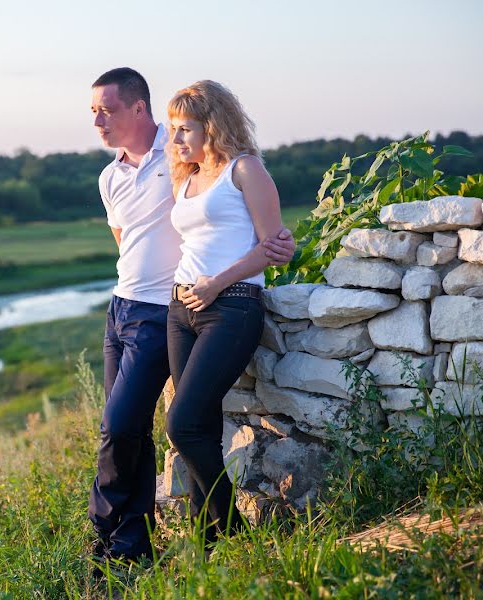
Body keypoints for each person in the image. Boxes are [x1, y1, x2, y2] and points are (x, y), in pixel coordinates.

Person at [86, 68, 295, 564]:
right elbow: (133, 242)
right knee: (155, 428)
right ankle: (148, 545)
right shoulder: (143, 175)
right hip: (150, 306)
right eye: (92, 110)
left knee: (157, 425)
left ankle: (215, 530)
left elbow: (266, 238)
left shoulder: (210, 160)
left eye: (107, 109)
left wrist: (221, 278)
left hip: (202, 306)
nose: (98, 120)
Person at [164, 80, 282, 544]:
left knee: (182, 422)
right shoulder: (187, 177)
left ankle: (234, 532)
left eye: (184, 129)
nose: (176, 139)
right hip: (182, 309)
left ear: (212, 126)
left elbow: (274, 247)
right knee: (201, 428)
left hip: (231, 305)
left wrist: (217, 283)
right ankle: (207, 547)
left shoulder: (245, 169)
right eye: (173, 129)